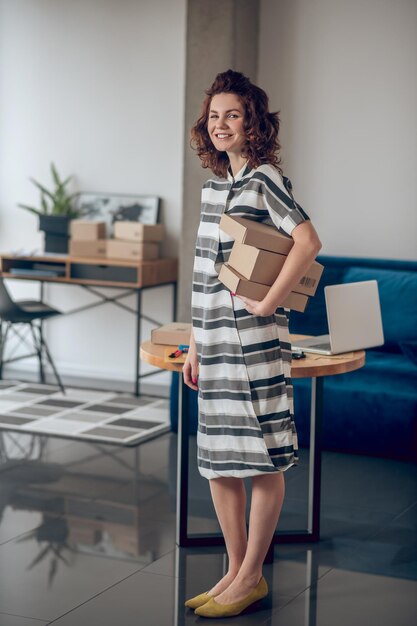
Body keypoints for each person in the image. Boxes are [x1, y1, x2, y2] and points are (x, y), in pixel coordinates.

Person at [182, 69, 322, 619]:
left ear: (253, 122)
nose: (221, 125)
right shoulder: (214, 188)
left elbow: (307, 241)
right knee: (219, 460)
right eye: (214, 116)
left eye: (232, 115)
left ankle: (251, 576)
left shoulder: (266, 179)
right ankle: (235, 572)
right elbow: (202, 274)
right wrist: (195, 342)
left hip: (255, 341)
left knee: (261, 460)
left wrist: (267, 304)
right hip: (212, 341)